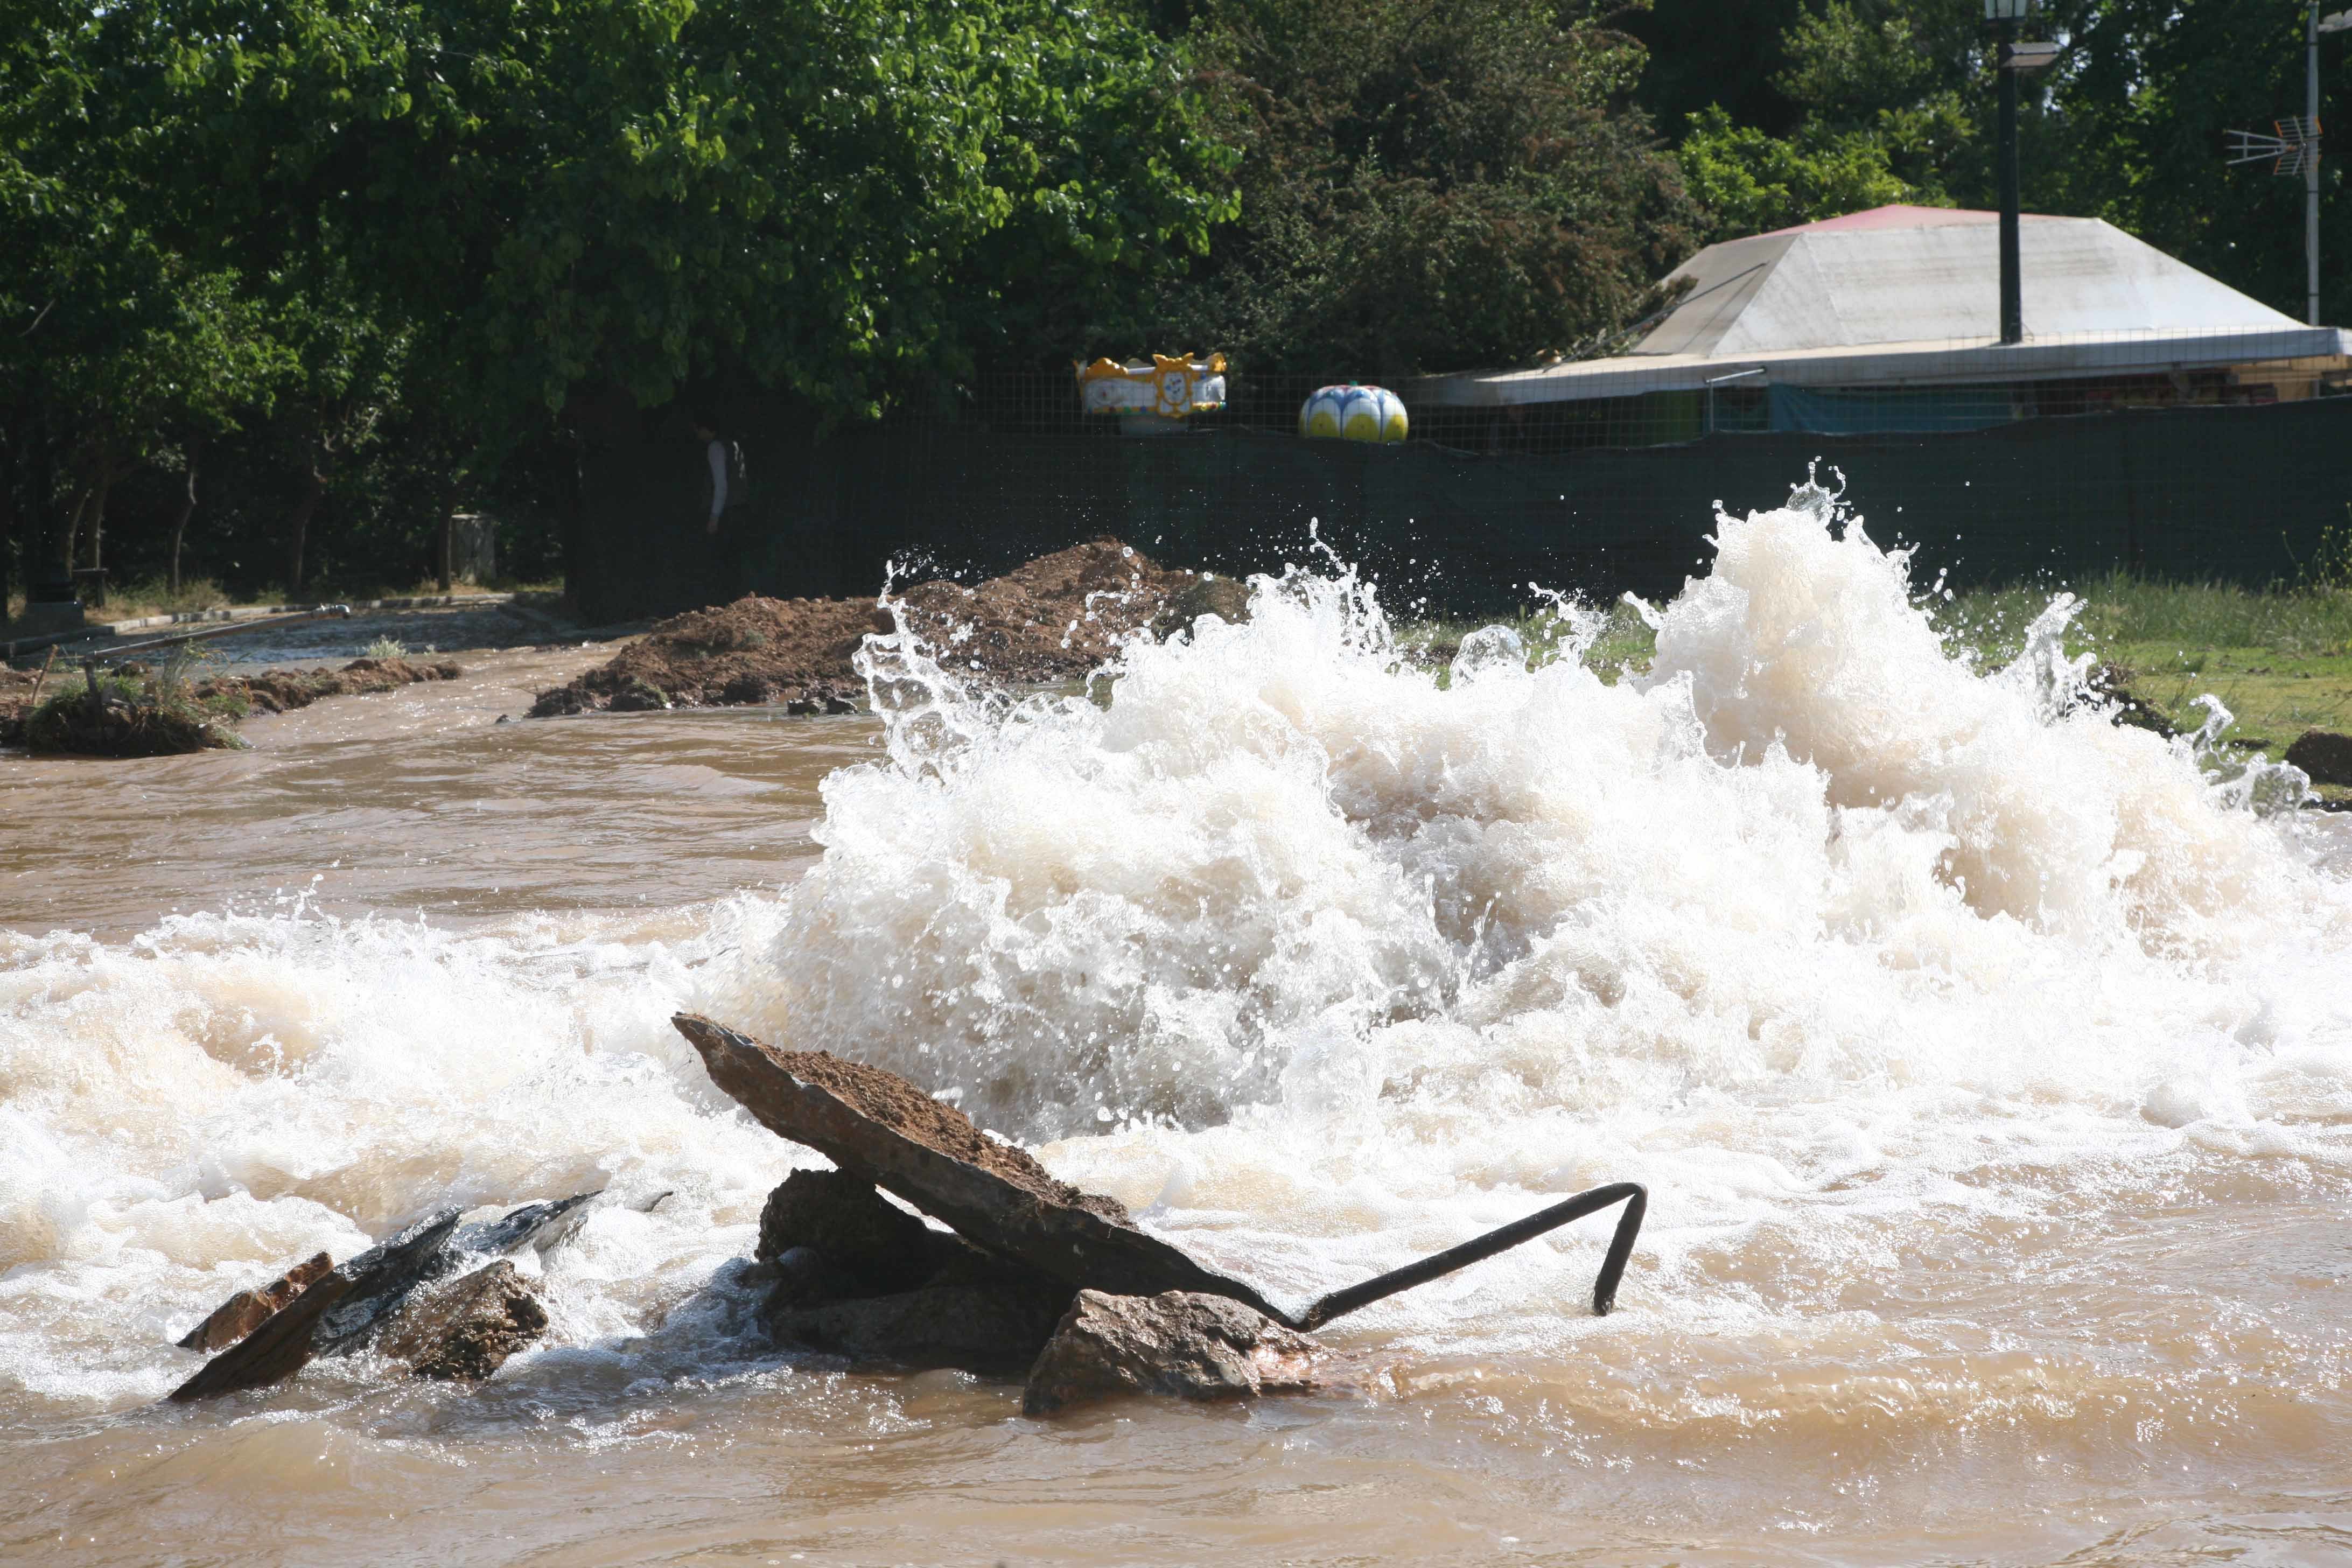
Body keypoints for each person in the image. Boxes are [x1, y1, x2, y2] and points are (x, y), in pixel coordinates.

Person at [694, 421, 728, 534]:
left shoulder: (715, 447)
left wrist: (714, 517)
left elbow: (721, 484)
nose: (697, 434)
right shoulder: (725, 443)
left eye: (697, 430)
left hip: (723, 509)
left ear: (705, 430)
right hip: (729, 506)